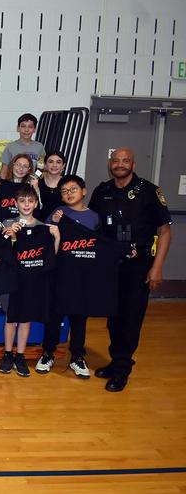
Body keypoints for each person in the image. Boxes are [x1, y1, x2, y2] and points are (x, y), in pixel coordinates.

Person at [88, 148, 172, 392]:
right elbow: (93, 226)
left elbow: (165, 231)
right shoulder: (102, 191)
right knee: (113, 317)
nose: (120, 164)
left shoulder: (148, 191)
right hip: (111, 267)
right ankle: (116, 361)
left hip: (139, 266)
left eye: (125, 161)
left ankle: (123, 369)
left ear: (133, 164)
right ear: (110, 164)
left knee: (131, 318)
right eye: (116, 161)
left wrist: (157, 267)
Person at [36, 174, 100, 378]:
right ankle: (48, 353)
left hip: (83, 276)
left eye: (73, 189)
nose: (69, 193)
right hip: (59, 273)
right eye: (64, 191)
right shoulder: (58, 212)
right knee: (54, 316)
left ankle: (78, 356)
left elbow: (99, 245)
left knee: (79, 318)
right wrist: (52, 224)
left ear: (84, 191)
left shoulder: (94, 217)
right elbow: (44, 238)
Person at [0, 185, 59, 378]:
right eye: (22, 201)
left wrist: (56, 237)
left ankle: (21, 355)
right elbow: (1, 253)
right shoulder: (7, 223)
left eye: (30, 201)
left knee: (25, 318)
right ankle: (7, 354)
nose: (26, 204)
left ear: (35, 203)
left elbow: (51, 256)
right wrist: (11, 236)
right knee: (11, 319)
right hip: (11, 280)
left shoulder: (42, 228)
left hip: (32, 280)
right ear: (16, 204)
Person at [0, 113, 45, 179]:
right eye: (23, 126)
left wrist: (35, 178)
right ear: (18, 128)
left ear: (34, 129)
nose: (26, 130)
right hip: (13, 184)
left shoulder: (39, 147)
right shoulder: (10, 147)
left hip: (31, 185)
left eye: (30, 127)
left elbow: (41, 168)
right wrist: (3, 185)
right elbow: (4, 171)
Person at [0, 153, 39, 221]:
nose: (21, 169)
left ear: (29, 170)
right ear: (12, 166)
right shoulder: (0, 184)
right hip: (2, 227)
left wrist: (36, 189)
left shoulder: (30, 187)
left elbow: (37, 211)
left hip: (23, 227)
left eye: (25, 166)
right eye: (18, 165)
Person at [37, 150, 66, 221]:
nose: (54, 165)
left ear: (63, 166)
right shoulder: (36, 183)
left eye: (58, 162)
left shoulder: (68, 184)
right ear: (45, 165)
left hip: (61, 227)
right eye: (50, 162)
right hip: (39, 226)